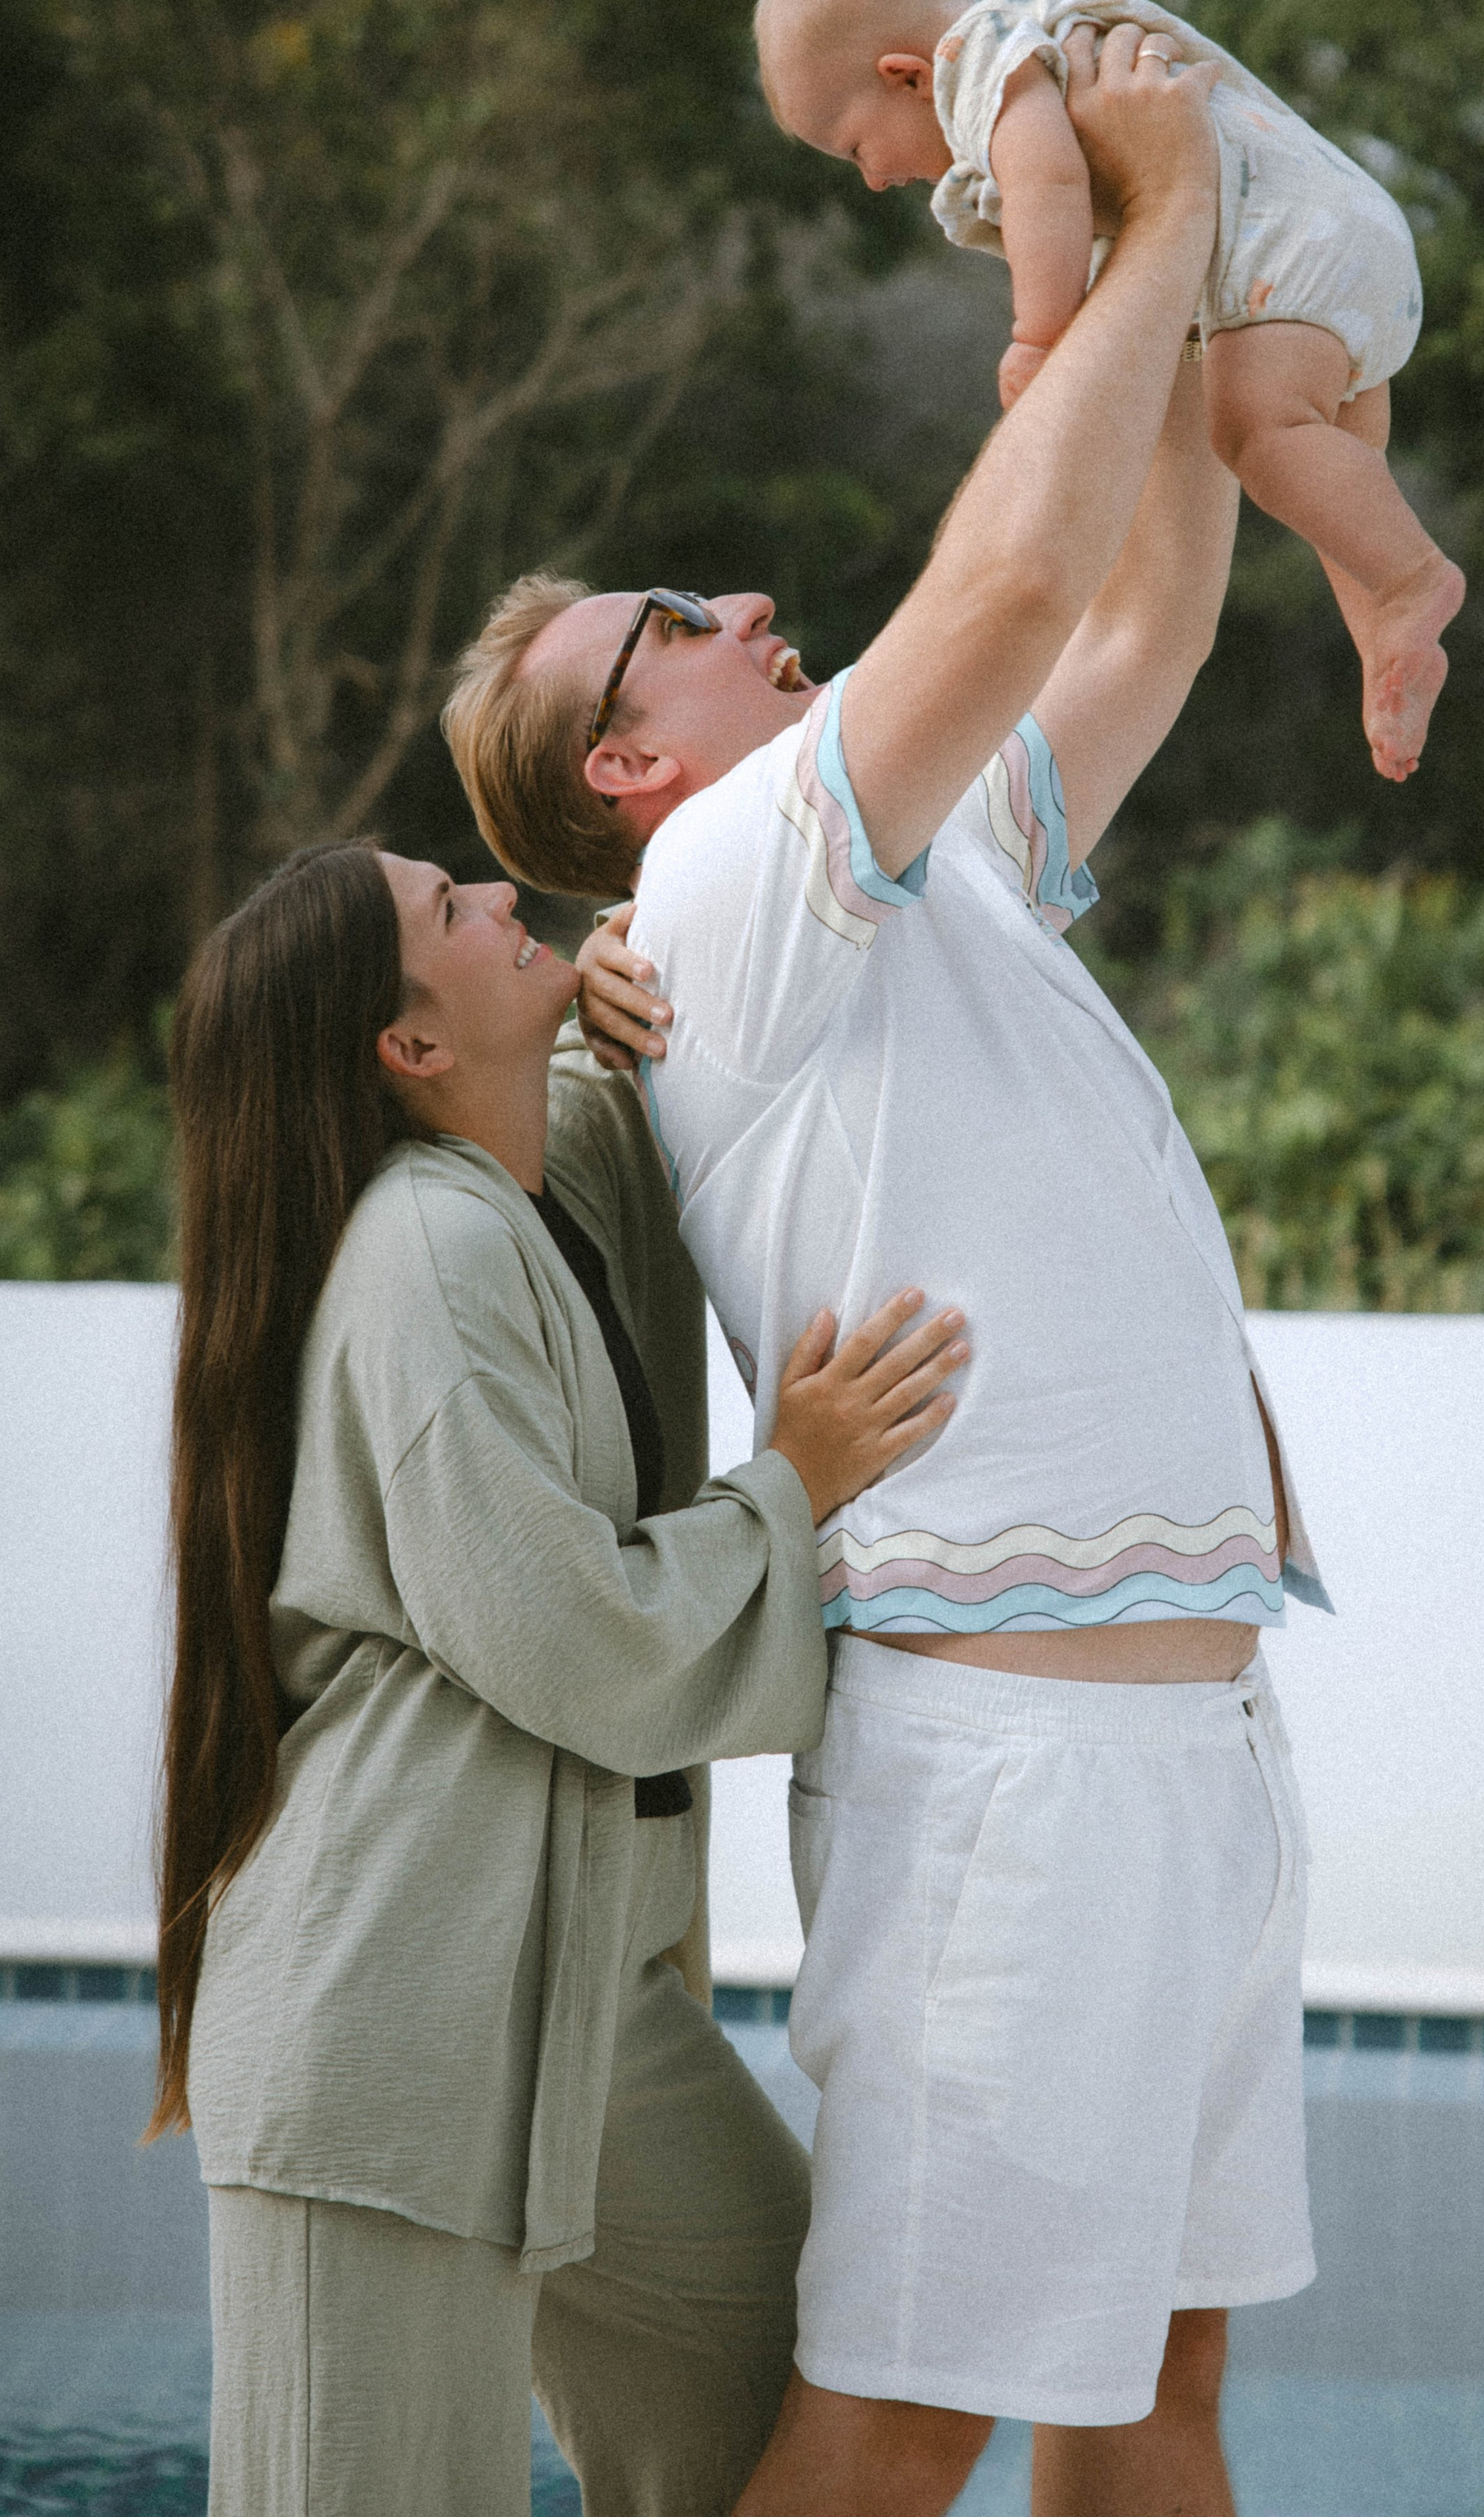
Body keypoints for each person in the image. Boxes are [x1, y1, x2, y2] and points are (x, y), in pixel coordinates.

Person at [445, 24, 1332, 2517]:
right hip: (1013, 1783)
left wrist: (1149, 294)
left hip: (1191, 1751)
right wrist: (1151, 219)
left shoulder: (930, 866)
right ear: (633, 771)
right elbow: (1020, 570)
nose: (746, 601)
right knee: (913, 2404)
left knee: (1157, 2395)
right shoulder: (731, 886)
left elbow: (1141, 598)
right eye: (673, 626)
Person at [148, 837, 966, 2517]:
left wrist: (610, 987)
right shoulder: (422, 1253)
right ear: (409, 1047)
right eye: (451, 910)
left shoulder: (534, 1189)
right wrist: (789, 1482)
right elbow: (570, 1633)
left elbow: (627, 1085)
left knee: (790, 2394)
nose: (501, 896)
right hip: (389, 2014)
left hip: (582, 2007)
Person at [756, 0, 1462, 784]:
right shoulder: (1033, 44)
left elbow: (1047, 180)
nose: (870, 178)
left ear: (904, 76)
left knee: (1253, 432)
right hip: (1340, 244)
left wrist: (1038, 335)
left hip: (1291, 246)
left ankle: (1412, 580)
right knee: (1337, 475)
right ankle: (1387, 647)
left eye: (856, 148)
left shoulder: (985, 63)